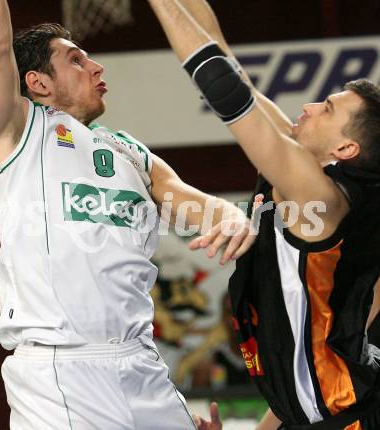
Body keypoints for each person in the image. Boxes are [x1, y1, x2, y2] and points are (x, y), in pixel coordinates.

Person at [0, 1, 258, 429]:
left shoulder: (127, 150)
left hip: (143, 366)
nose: (97, 67)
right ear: (37, 82)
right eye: (76, 60)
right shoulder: (16, 131)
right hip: (61, 371)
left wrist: (229, 216)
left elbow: (185, 197)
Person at [147, 0, 380, 429]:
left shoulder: (320, 198)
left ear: (344, 152)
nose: (309, 106)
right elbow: (225, 61)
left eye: (327, 108)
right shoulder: (305, 177)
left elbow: (225, 89)